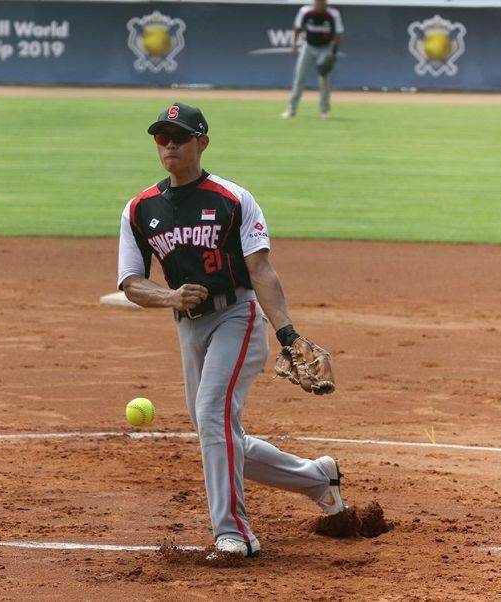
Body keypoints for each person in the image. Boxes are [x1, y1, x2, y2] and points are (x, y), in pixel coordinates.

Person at [117, 102, 345, 558]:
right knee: (218, 429)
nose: (170, 146)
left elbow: (260, 269)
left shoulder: (232, 199)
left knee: (211, 416)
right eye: (162, 138)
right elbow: (131, 283)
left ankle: (233, 533)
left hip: (236, 317)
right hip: (188, 326)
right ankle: (318, 477)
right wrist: (170, 297)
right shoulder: (141, 209)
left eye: (179, 137)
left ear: (202, 142)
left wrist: (287, 333)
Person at [281, 0, 344, 120]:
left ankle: (324, 111)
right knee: (300, 77)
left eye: (322, 1)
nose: (319, 3)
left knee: (324, 80)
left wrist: (333, 53)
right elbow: (297, 28)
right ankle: (291, 109)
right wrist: (294, 45)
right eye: (317, 1)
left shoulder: (333, 14)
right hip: (308, 47)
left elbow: (338, 34)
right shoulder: (305, 11)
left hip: (326, 47)